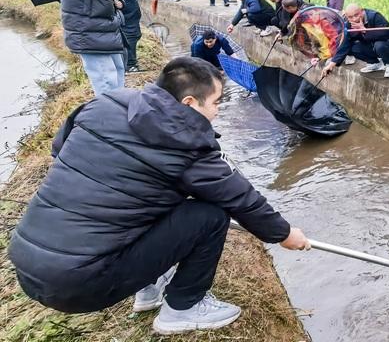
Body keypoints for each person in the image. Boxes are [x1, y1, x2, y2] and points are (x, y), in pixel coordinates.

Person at [7, 57, 310, 335]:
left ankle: (148, 288)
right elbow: (241, 199)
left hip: (26, 262)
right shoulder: (189, 146)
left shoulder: (105, 104)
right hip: (82, 285)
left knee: (151, 198)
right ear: (189, 103)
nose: (218, 110)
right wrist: (284, 234)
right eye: (216, 102)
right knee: (210, 215)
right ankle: (183, 307)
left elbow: (59, 150)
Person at [322, 3, 389, 79]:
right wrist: (331, 64)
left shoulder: (374, 16)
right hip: (373, 46)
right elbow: (344, 45)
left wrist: (364, 30)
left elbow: (384, 34)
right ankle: (375, 63)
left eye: (356, 15)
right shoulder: (349, 25)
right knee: (353, 48)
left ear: (362, 11)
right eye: (350, 17)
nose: (354, 19)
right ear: (346, 17)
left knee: (379, 45)